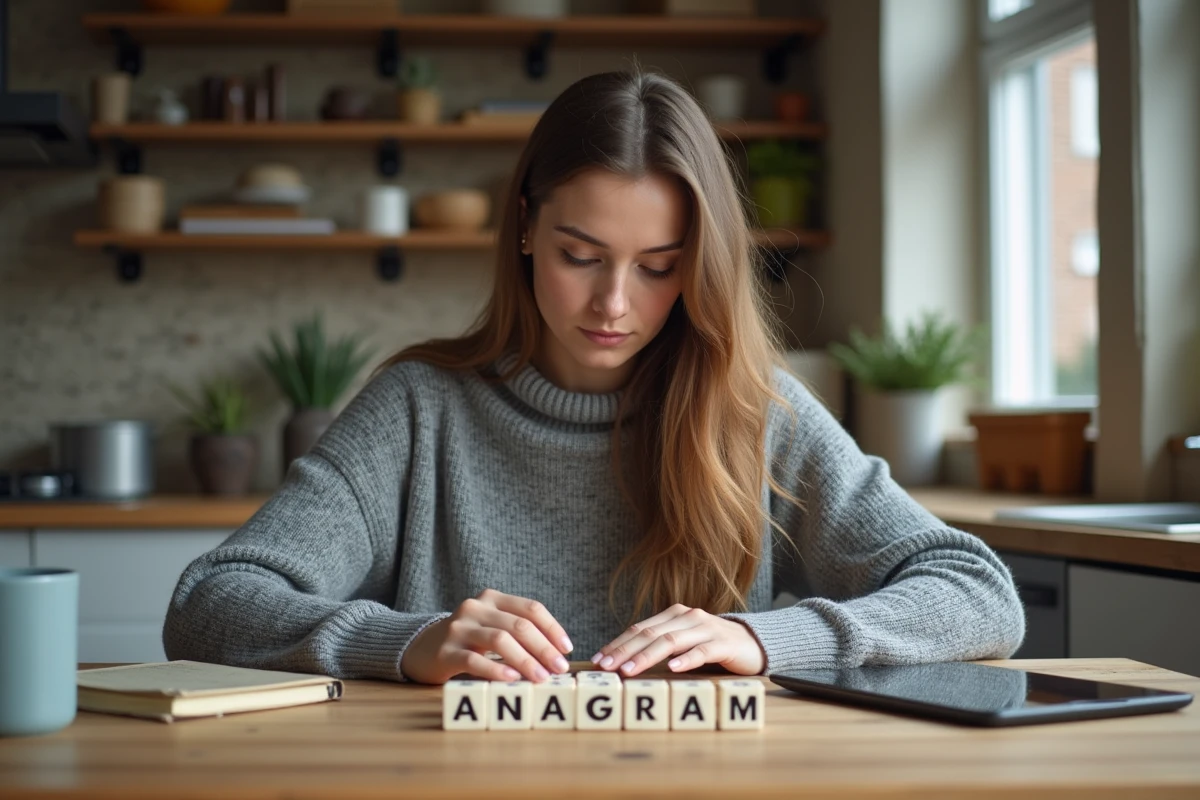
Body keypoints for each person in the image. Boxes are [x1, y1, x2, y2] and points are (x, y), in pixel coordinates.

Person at [163, 69, 1025, 686]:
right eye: (582, 256)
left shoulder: (755, 413)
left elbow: (980, 595)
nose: (615, 302)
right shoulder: (419, 410)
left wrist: (767, 639)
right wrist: (404, 640)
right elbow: (208, 605)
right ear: (529, 227)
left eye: (659, 266)